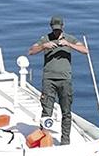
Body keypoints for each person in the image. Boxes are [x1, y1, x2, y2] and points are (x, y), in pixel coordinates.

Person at [28, 15, 89, 144]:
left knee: (66, 111)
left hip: (65, 80)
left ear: (63, 27)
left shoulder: (69, 38)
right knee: (47, 111)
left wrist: (69, 44)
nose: (56, 32)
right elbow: (31, 51)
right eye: (54, 29)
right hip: (49, 80)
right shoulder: (45, 38)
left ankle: (65, 140)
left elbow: (85, 50)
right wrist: (44, 46)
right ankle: (44, 139)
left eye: (58, 29)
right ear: (51, 27)